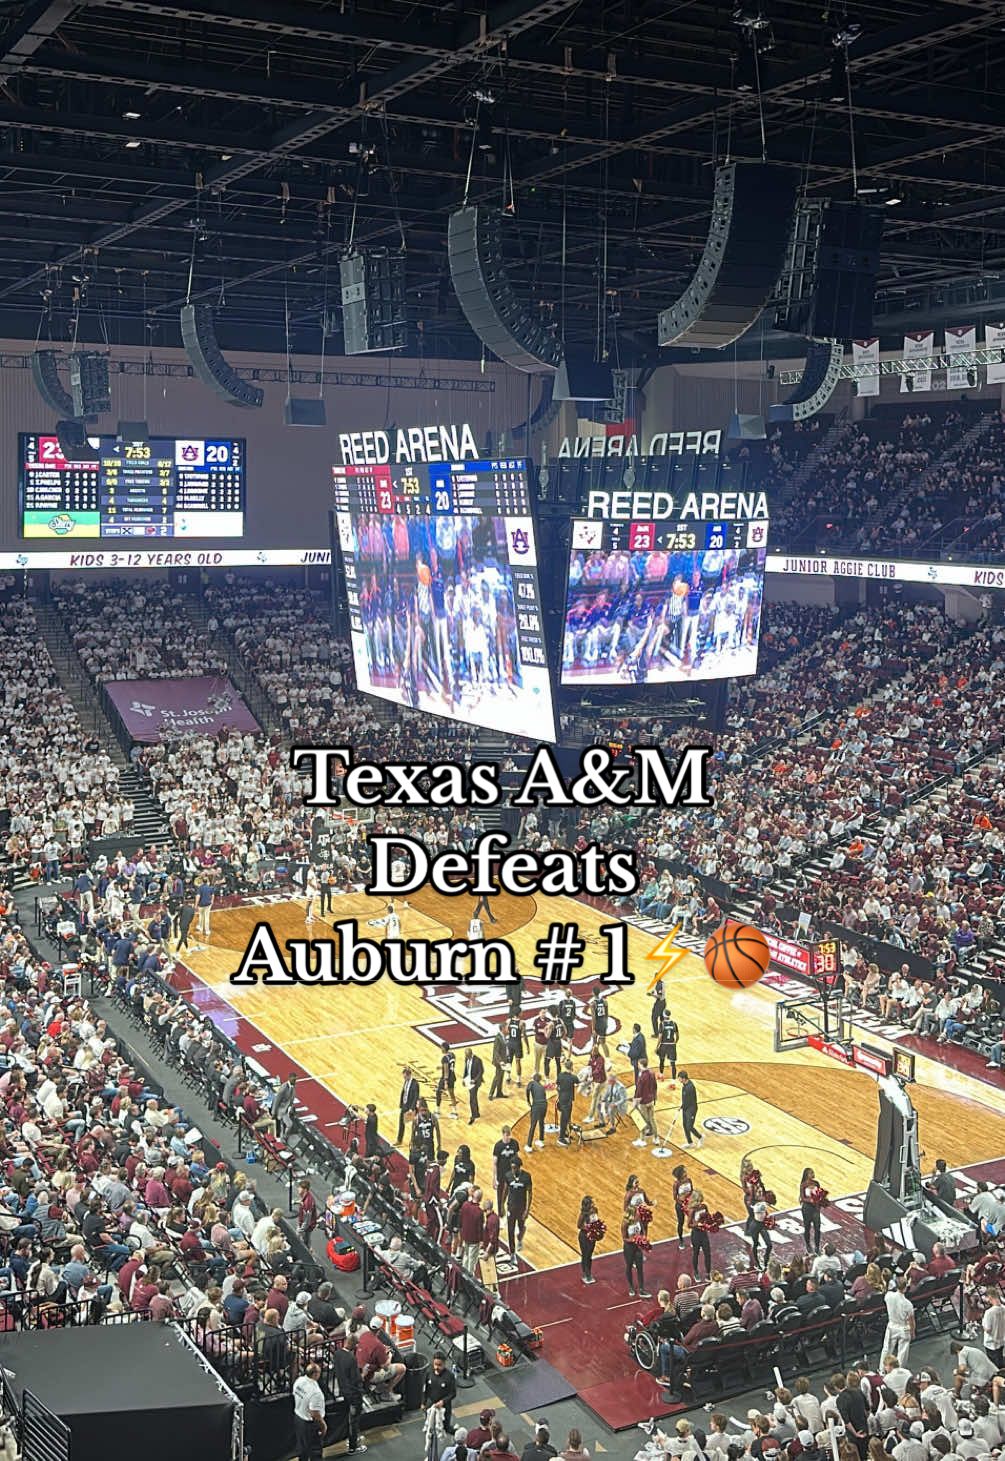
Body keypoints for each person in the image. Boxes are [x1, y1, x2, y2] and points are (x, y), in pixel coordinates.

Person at [332, 1333, 367, 1454]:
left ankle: (354, 1438)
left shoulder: (337, 1354)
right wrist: (364, 1373)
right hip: (354, 1395)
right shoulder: (351, 1359)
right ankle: (353, 1446)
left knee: (350, 1419)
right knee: (354, 1420)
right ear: (354, 1345)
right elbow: (357, 1379)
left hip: (344, 1391)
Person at [293, 1360, 327, 1460]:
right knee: (315, 1451)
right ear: (315, 1374)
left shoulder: (299, 1381)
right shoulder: (316, 1392)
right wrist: (323, 1426)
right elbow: (314, 1413)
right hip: (310, 1425)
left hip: (298, 1418)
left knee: (302, 1449)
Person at [881, 1275, 915, 1365]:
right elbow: (911, 1321)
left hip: (892, 1325)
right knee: (902, 1352)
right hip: (903, 1327)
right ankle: (899, 1371)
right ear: (906, 1287)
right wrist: (912, 1332)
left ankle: (882, 1369)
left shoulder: (888, 1296)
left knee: (887, 1348)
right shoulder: (908, 1304)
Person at [621, 1204, 650, 1299]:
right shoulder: (625, 1223)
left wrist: (643, 1238)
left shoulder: (639, 1220)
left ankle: (642, 1289)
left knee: (640, 1267)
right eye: (637, 1212)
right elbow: (624, 1238)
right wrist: (634, 1240)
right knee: (629, 1266)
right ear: (632, 1214)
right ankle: (631, 1287)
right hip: (629, 1248)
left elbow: (643, 1231)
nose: (639, 1213)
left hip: (637, 1247)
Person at [505, 1155, 532, 1253]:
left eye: (515, 1168)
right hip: (511, 1206)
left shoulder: (526, 1177)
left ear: (519, 1167)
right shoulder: (508, 1175)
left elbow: (530, 1193)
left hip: (521, 1207)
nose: (513, 1170)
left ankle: (520, 1238)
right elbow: (505, 1190)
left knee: (521, 1227)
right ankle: (511, 1250)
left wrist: (527, 1210)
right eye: (512, 1168)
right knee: (510, 1229)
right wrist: (502, 1205)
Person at [424, 1352, 457, 1434]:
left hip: (445, 1406)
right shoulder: (429, 1373)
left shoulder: (449, 1376)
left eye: (439, 1365)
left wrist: (443, 1402)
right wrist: (423, 1402)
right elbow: (425, 1389)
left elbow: (453, 1393)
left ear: (444, 1364)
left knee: (446, 1427)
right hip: (431, 1404)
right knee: (430, 1425)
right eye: (435, 1364)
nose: (436, 1367)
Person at [632, 1057, 658, 1146]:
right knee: (652, 1119)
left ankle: (642, 1140)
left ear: (641, 1065)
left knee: (642, 1120)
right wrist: (654, 1097)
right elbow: (655, 1086)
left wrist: (635, 1100)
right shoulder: (652, 1073)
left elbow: (639, 1090)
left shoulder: (642, 1076)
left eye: (639, 1064)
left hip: (643, 1101)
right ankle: (656, 1138)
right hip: (651, 1100)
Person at [577, 1194, 600, 1285]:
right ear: (588, 1204)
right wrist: (588, 1228)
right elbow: (579, 1225)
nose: (594, 1203)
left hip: (592, 1236)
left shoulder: (595, 1210)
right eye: (592, 1202)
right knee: (585, 1255)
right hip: (584, 1236)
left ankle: (589, 1272)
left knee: (589, 1255)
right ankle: (585, 1274)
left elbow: (596, 1221)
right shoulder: (583, 1214)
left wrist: (597, 1229)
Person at [800, 1167, 823, 1255]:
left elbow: (820, 1194)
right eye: (811, 1173)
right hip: (807, 1208)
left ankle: (817, 1246)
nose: (813, 1174)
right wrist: (811, 1200)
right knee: (807, 1228)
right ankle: (808, 1244)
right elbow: (802, 1198)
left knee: (817, 1228)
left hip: (815, 1209)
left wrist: (821, 1201)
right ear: (806, 1175)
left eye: (813, 1172)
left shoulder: (816, 1183)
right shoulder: (803, 1185)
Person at [396, 1066, 420, 1146]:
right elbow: (404, 1092)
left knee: (414, 1125)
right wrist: (401, 1104)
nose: (404, 1078)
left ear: (409, 1075)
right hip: (404, 1105)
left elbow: (416, 1097)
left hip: (411, 1107)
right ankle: (399, 1140)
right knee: (401, 1123)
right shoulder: (406, 1081)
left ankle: (414, 1141)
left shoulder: (415, 1084)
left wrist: (412, 1108)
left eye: (405, 1076)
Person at [556, 1059, 576, 1146]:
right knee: (564, 1118)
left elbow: (557, 1086)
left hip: (561, 1099)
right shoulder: (572, 1077)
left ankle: (564, 1133)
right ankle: (561, 1138)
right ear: (571, 1067)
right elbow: (581, 1081)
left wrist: (560, 1094)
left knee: (566, 1118)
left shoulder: (560, 1075)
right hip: (567, 1101)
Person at [679, 1069, 702, 1146]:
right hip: (686, 1108)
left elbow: (689, 1101)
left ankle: (700, 1137)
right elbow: (685, 1099)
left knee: (689, 1126)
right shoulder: (685, 1085)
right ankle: (690, 1142)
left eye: (679, 1078)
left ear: (683, 1078)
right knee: (685, 1125)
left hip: (691, 1109)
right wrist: (682, 1106)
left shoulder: (690, 1087)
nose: (678, 1080)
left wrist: (683, 1106)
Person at [525, 1072, 547, 1151]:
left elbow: (527, 1090)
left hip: (537, 1105)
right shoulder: (542, 1086)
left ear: (533, 1078)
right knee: (541, 1122)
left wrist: (528, 1100)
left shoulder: (531, 1083)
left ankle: (529, 1145)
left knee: (533, 1125)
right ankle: (541, 1141)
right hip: (544, 1105)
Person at [463, 1049, 484, 1125]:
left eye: (467, 1055)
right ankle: (476, 1113)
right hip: (468, 1081)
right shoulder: (466, 1059)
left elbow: (481, 1071)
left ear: (471, 1054)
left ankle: (473, 1116)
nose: (466, 1056)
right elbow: (466, 1070)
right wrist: (464, 1079)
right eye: (466, 1055)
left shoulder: (478, 1060)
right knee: (473, 1098)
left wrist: (474, 1080)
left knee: (472, 1098)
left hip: (475, 1082)